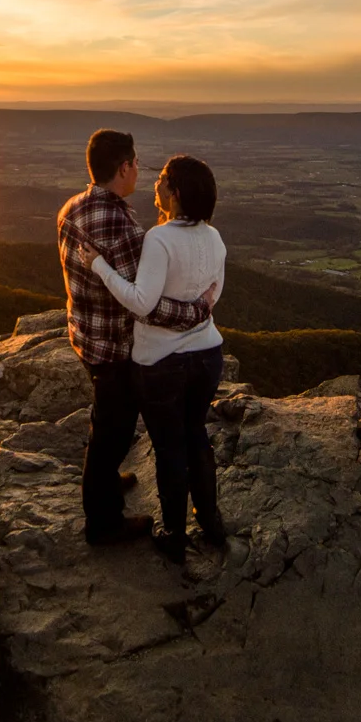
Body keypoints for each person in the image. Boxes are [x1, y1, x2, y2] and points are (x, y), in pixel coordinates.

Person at [56, 130, 215, 546]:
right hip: (115, 346)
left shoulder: (72, 207)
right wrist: (195, 311)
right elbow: (145, 302)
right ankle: (104, 522)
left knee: (108, 422)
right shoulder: (122, 223)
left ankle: (106, 481)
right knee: (112, 430)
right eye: (138, 163)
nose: (141, 170)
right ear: (124, 168)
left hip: (87, 336)